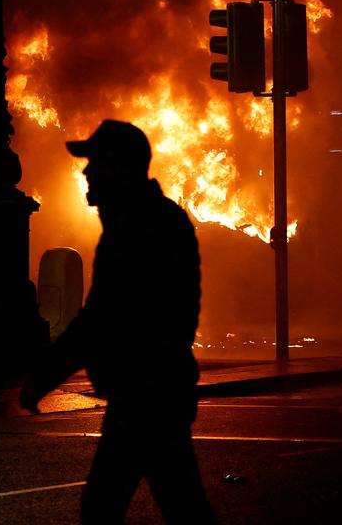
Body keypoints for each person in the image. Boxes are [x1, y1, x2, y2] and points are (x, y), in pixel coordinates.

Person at [20, 119, 216, 524]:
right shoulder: (146, 222)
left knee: (111, 506)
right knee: (177, 505)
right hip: (151, 393)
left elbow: (101, 319)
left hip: (146, 394)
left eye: (95, 162)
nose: (87, 172)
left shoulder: (139, 229)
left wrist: (44, 377)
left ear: (119, 166)